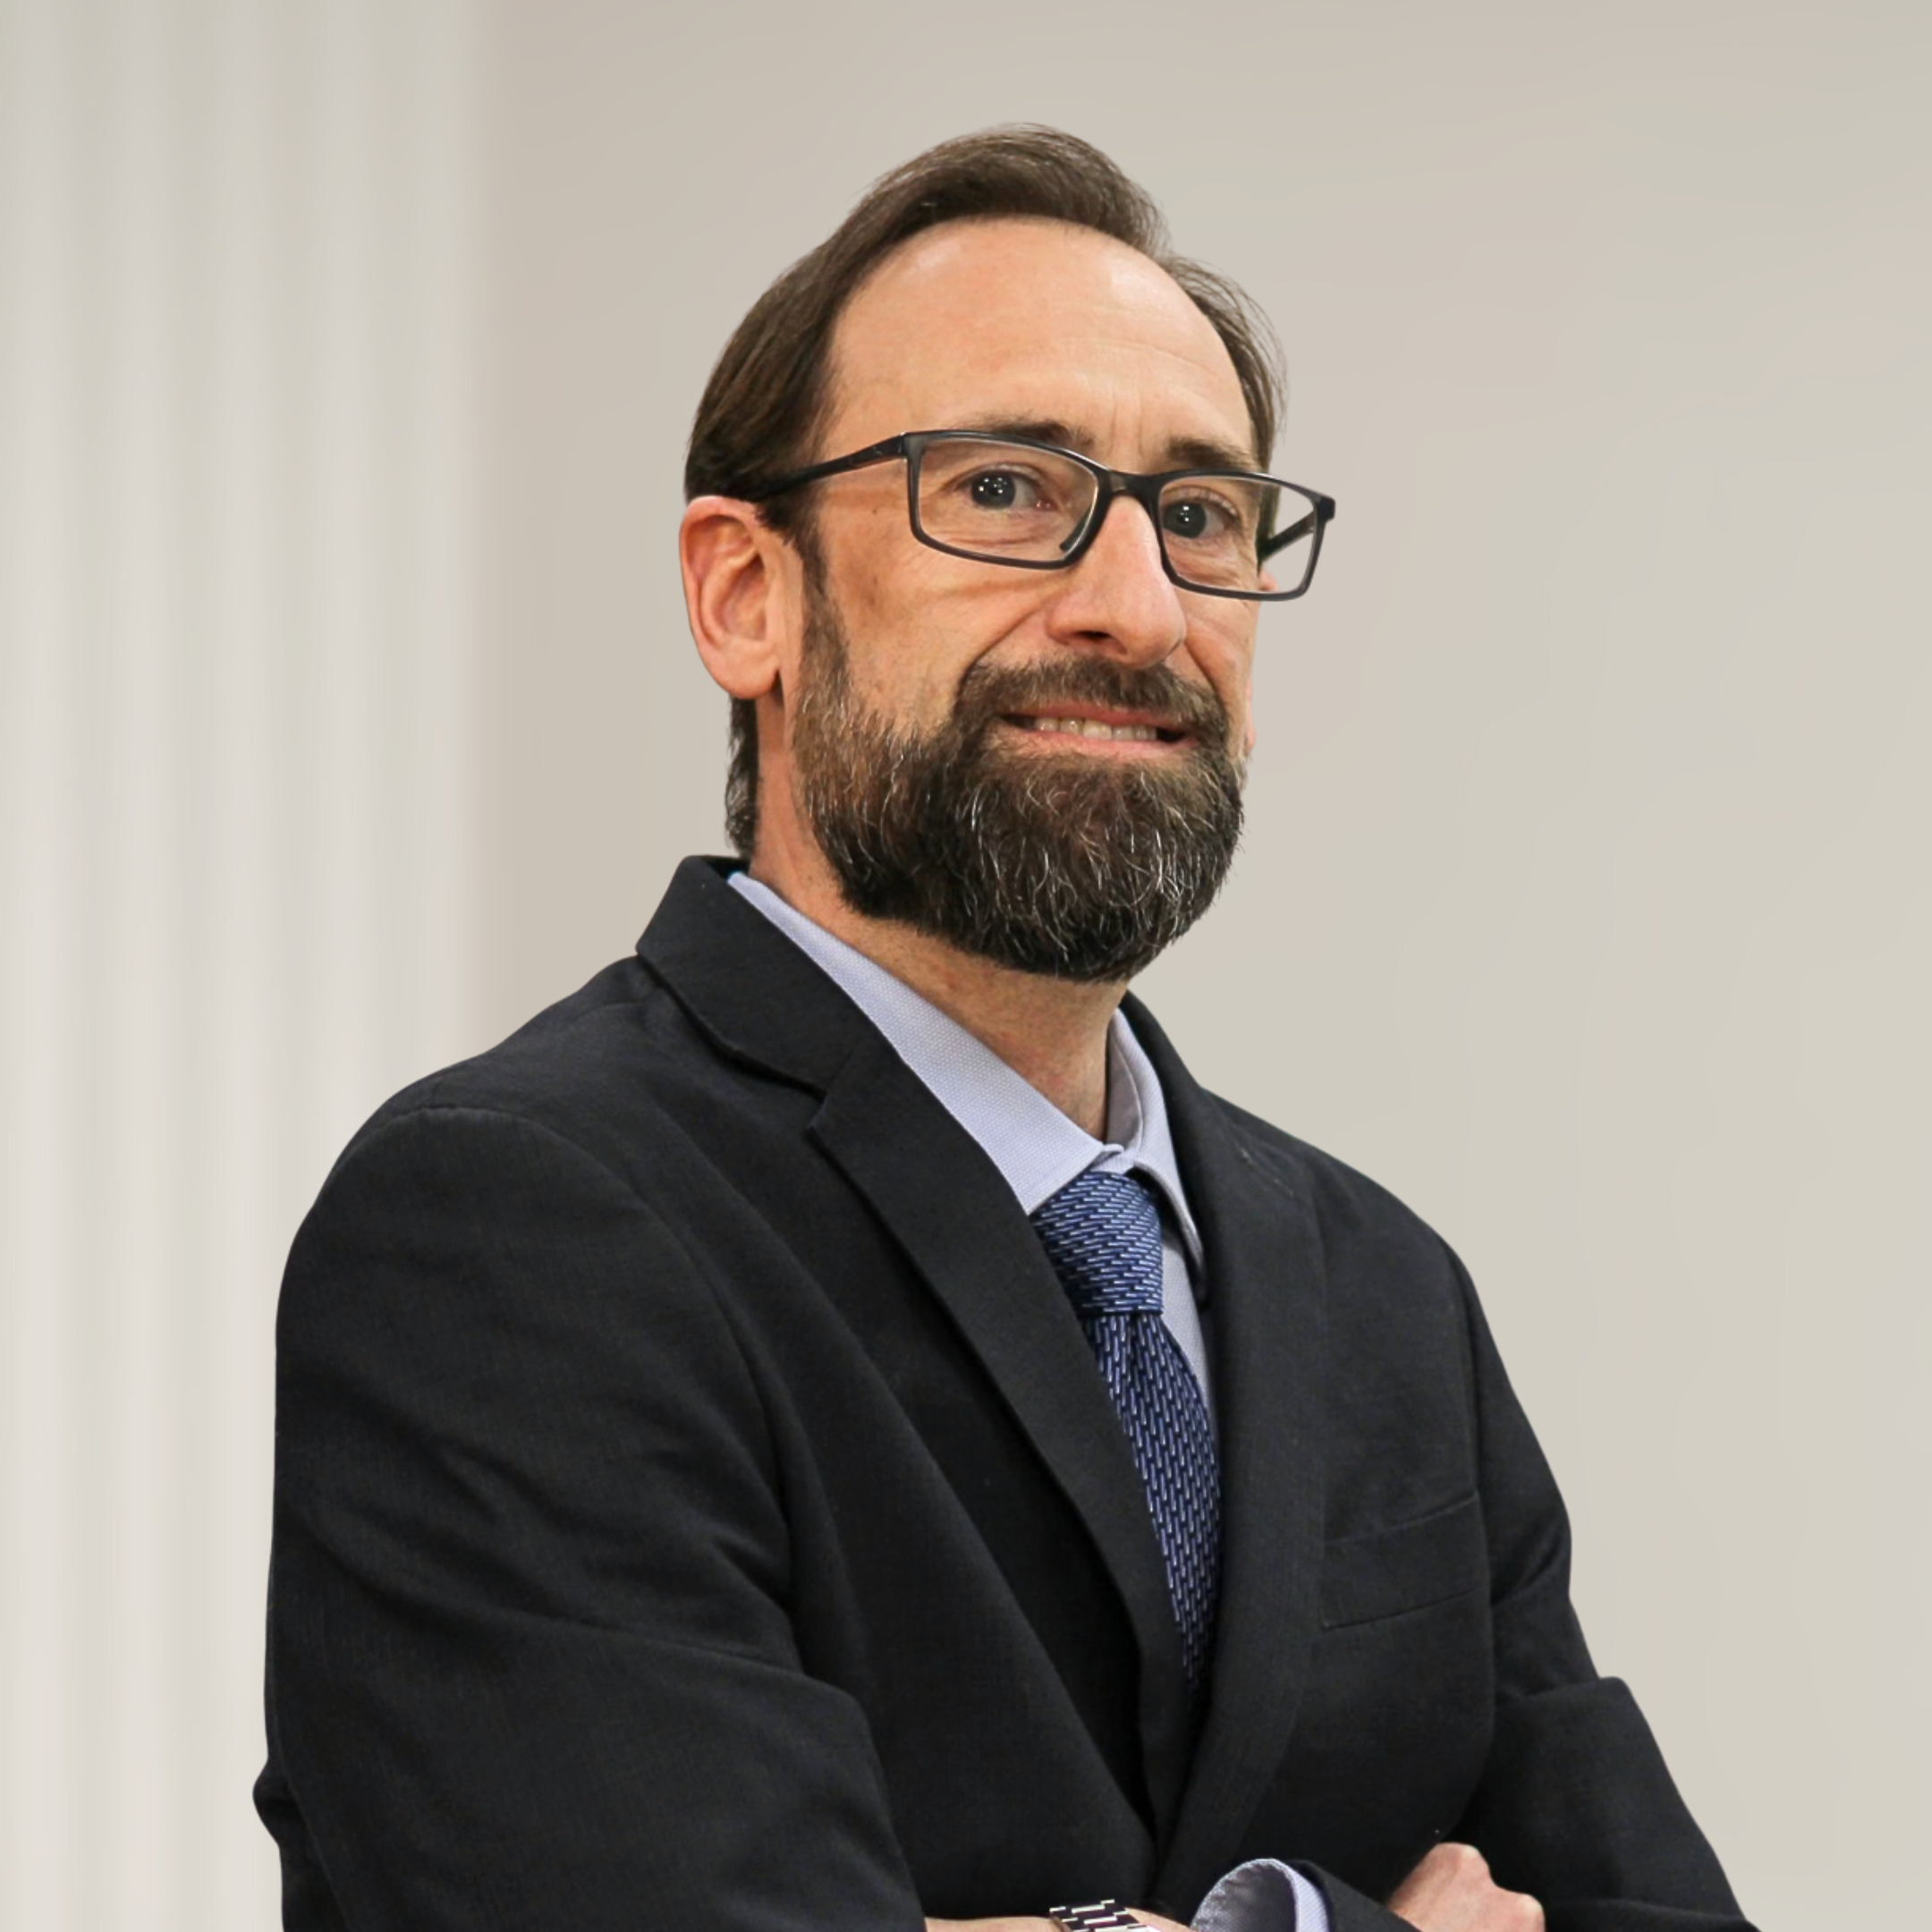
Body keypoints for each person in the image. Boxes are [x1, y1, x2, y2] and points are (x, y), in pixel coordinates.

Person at [254, 128, 1756, 1932]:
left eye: (1200, 516)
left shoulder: (1383, 1294)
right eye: (1003, 493)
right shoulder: (512, 1227)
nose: (1135, 605)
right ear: (749, 595)